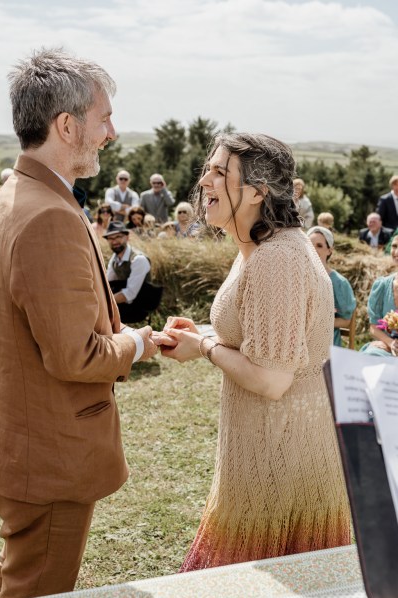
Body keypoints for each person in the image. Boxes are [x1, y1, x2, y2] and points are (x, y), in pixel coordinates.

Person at [0, 47, 157, 598]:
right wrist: (139, 341)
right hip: (49, 453)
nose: (111, 131)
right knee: (37, 587)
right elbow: (75, 356)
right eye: (104, 117)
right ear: (66, 125)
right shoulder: (46, 216)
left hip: (23, 437)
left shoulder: (17, 197)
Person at [156, 133, 351, 571]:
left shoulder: (275, 259)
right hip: (268, 451)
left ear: (258, 191)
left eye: (220, 172)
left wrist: (204, 346)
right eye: (209, 168)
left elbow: (271, 379)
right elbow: (262, 333)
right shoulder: (258, 248)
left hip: (281, 463)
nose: (204, 180)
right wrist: (203, 332)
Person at [307, 226, 356, 346]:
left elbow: (346, 321)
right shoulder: (297, 278)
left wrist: (319, 322)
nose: (313, 249)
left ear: (329, 250)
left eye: (319, 245)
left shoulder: (339, 283)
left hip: (325, 344)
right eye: (309, 244)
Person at [104, 221, 160, 323]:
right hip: (125, 304)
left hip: (139, 307)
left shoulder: (138, 259)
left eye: (118, 237)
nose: (114, 241)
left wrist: (104, 303)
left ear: (127, 237)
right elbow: (108, 282)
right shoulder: (115, 258)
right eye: (111, 238)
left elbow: (129, 294)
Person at [360, 234, 398, 357]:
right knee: (371, 354)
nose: (396, 251)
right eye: (394, 246)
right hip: (388, 348)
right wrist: (390, 343)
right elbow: (374, 327)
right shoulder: (381, 285)